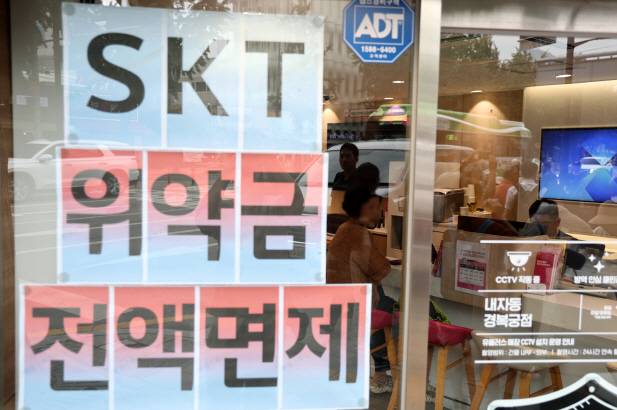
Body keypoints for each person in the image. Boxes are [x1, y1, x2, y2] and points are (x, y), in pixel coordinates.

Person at [326, 185, 392, 393]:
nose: (380, 213)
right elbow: (381, 269)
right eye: (377, 208)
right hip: (356, 304)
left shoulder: (343, 228)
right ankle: (382, 372)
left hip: (338, 302)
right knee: (390, 306)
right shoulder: (358, 233)